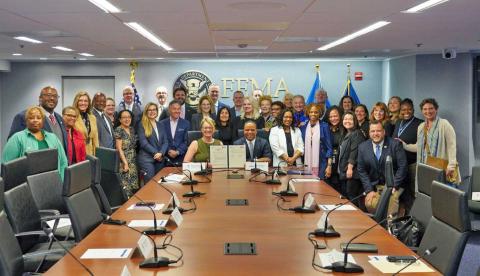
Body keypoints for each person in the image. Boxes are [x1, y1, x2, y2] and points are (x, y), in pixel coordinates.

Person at [403, 98, 460, 185]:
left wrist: (451, 166)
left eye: (431, 108)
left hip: (440, 168)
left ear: (436, 109)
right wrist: (404, 145)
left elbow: (452, 146)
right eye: (425, 109)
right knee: (427, 192)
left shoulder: (444, 124)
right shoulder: (421, 127)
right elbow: (419, 146)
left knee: (441, 192)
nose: (428, 111)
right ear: (422, 111)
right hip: (424, 167)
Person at [357, 120, 408, 216]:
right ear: (369, 133)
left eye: (378, 131)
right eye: (373, 131)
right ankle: (380, 225)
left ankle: (390, 227)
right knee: (370, 203)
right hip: (374, 185)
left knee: (390, 205)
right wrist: (369, 190)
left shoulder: (395, 145)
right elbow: (361, 170)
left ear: (384, 132)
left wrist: (394, 185)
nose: (375, 134)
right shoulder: (362, 147)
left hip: (394, 185)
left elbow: (403, 167)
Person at [2, 106, 68, 180]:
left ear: (43, 121)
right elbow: (6, 165)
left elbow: (63, 162)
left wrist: (61, 182)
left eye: (38, 118)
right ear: (26, 121)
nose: (35, 120)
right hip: (26, 186)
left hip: (52, 183)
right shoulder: (17, 138)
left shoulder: (53, 138)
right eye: (31, 118)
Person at [8, 86, 67, 153]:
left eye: (55, 96)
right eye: (48, 95)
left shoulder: (60, 118)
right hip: (34, 162)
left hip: (59, 162)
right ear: (40, 98)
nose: (52, 98)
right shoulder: (23, 116)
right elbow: (13, 145)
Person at [393, 98, 423, 203]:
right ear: (400, 110)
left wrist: (405, 145)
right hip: (399, 165)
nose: (406, 112)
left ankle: (415, 218)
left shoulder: (420, 123)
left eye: (409, 109)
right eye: (403, 110)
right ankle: (404, 216)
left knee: (413, 192)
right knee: (402, 194)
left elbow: (421, 146)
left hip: (412, 165)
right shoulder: (398, 122)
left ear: (413, 110)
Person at [338, 111, 366, 210]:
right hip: (346, 171)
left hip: (353, 172)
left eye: (350, 119)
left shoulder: (357, 133)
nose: (347, 121)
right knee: (348, 196)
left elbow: (355, 151)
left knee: (352, 197)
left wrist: (350, 168)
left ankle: (357, 219)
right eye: (345, 119)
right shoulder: (346, 134)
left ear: (355, 121)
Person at [137, 103, 168, 183]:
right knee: (150, 184)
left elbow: (165, 142)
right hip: (146, 159)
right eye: (149, 110)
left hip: (160, 159)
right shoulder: (141, 124)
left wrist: (161, 153)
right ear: (146, 112)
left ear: (157, 111)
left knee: (160, 183)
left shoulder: (161, 125)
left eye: (154, 109)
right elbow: (144, 143)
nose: (152, 111)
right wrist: (156, 153)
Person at [300, 104, 333, 180]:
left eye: (316, 112)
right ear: (308, 113)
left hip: (322, 163)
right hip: (306, 163)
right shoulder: (303, 127)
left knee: (320, 186)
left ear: (319, 113)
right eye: (311, 112)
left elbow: (329, 148)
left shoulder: (325, 126)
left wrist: (329, 166)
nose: (313, 114)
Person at [114, 109, 138, 197]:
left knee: (133, 188)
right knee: (126, 189)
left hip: (133, 162)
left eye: (128, 117)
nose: (127, 119)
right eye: (124, 117)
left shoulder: (132, 129)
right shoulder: (118, 130)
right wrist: (125, 163)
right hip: (123, 163)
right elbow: (119, 149)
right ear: (120, 119)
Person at [73, 91, 99, 155]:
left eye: (85, 101)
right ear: (76, 102)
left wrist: (97, 155)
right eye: (80, 100)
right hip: (77, 153)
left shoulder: (93, 118)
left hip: (91, 153)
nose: (83, 103)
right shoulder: (72, 117)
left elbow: (95, 140)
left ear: (89, 103)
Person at [325, 106, 344, 193]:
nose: (333, 118)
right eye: (331, 116)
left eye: (335, 116)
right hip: (327, 163)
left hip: (340, 164)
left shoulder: (344, 130)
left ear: (340, 116)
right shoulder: (325, 129)